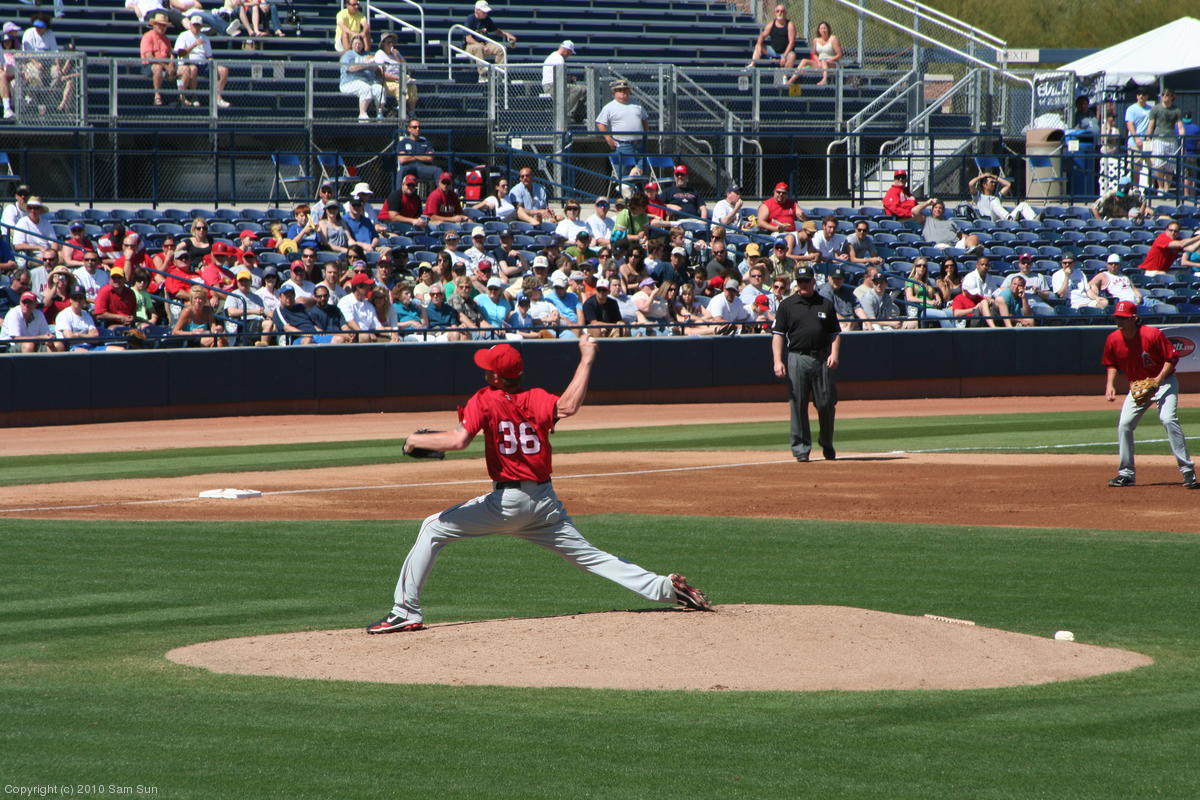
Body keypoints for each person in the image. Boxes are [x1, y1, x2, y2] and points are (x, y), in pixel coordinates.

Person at [366, 337, 714, 633]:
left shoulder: (484, 398)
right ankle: (665, 588)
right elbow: (569, 405)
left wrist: (414, 440)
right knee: (591, 557)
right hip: (545, 502)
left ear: (497, 376)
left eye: (488, 368)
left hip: (509, 503)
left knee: (432, 528)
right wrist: (587, 358)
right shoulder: (536, 398)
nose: (484, 371)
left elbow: (458, 440)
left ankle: (405, 611)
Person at [1102, 300, 1196, 489]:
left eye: (1123, 318)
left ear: (1134, 318)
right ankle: (1126, 474)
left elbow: (1171, 359)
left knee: (1168, 419)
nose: (1119, 321)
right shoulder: (1113, 339)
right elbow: (1111, 363)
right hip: (1138, 386)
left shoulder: (1152, 334)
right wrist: (1110, 384)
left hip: (1164, 382)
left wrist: (1157, 381)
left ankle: (1188, 471)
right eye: (1117, 318)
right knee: (1124, 425)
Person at [771, 265, 838, 462]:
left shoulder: (825, 304)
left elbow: (835, 333)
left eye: (806, 281)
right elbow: (778, 335)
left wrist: (834, 354)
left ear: (813, 281)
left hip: (821, 358)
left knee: (826, 403)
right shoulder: (787, 305)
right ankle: (801, 449)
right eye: (800, 281)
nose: (803, 285)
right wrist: (777, 360)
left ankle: (826, 442)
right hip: (797, 357)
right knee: (798, 404)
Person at [174, 15, 230, 109]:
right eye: (194, 25)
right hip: (188, 64)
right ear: (190, 25)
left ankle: (217, 97)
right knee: (193, 69)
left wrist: (211, 63)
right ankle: (193, 96)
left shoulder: (204, 38)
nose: (196, 27)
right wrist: (194, 44)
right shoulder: (183, 35)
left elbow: (209, 56)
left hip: (203, 65)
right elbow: (180, 53)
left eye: (198, 25)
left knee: (224, 70)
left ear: (201, 26)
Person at [596, 79, 648, 177]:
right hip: (623, 145)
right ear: (614, 92)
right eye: (619, 90)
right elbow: (600, 123)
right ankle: (622, 186)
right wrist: (608, 138)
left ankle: (636, 186)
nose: (623, 92)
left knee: (642, 174)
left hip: (639, 145)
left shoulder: (637, 105)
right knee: (622, 175)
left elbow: (644, 120)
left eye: (625, 89)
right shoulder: (609, 107)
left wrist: (645, 136)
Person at [464, 0, 515, 82]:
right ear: (477, 11)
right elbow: (468, 39)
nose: (486, 13)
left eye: (486, 12)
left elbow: (496, 31)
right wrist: (482, 46)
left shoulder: (486, 19)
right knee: (478, 47)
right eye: (483, 12)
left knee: (501, 49)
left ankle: (499, 74)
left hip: (484, 44)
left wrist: (506, 35)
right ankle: (483, 74)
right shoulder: (470, 19)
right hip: (471, 46)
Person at [1145, 88, 1184, 194]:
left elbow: (1180, 126)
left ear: (1172, 97)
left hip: (1171, 139)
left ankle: (1166, 189)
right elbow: (1151, 125)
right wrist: (1148, 137)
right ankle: (1160, 187)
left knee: (1170, 166)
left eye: (1167, 95)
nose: (1165, 97)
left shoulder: (1176, 110)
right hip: (1159, 138)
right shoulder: (1156, 109)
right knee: (1158, 164)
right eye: (1163, 95)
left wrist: (1182, 137)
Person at [339, 34, 385, 122]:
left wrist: (374, 65)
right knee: (365, 88)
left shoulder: (368, 55)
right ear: (352, 45)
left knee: (380, 89)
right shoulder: (348, 55)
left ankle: (379, 114)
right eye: (355, 44)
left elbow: (376, 68)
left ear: (363, 45)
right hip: (349, 82)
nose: (357, 45)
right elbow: (350, 68)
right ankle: (362, 114)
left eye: (359, 44)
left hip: (369, 82)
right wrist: (365, 65)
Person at [541, 39, 584, 124]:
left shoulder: (554, 56)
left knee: (582, 90)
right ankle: (566, 113)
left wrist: (569, 79)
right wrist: (570, 79)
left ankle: (576, 116)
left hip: (552, 85)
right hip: (552, 86)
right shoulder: (559, 59)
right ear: (567, 51)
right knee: (579, 89)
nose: (570, 55)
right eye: (570, 52)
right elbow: (559, 78)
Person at [967, 171, 1038, 222]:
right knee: (994, 202)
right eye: (991, 182)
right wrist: (981, 176)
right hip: (989, 220)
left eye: (994, 182)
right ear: (984, 185)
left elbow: (1008, 184)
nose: (994, 184)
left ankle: (1034, 220)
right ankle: (1009, 219)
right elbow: (971, 184)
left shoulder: (997, 196)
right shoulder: (978, 197)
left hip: (1001, 219)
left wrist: (995, 177)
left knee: (1023, 205)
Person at [374, 32, 416, 117]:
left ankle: (411, 111)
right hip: (387, 81)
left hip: (401, 78)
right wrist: (397, 78)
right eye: (388, 42)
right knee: (399, 87)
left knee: (412, 86)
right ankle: (402, 110)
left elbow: (405, 67)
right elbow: (381, 72)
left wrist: (397, 56)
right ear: (383, 44)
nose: (391, 44)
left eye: (392, 42)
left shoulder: (396, 53)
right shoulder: (380, 54)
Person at [787, 21, 841, 86]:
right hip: (820, 62)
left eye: (825, 28)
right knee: (804, 61)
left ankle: (825, 80)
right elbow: (813, 54)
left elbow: (839, 54)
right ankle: (791, 80)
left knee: (824, 62)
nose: (823, 30)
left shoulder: (833, 39)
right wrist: (817, 60)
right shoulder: (816, 40)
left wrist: (829, 60)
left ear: (828, 29)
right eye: (821, 28)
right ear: (819, 30)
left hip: (832, 63)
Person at [139, 11, 176, 107]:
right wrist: (166, 67)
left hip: (165, 64)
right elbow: (150, 57)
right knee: (157, 68)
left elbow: (171, 54)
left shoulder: (166, 39)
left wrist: (171, 65)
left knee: (183, 70)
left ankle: (182, 98)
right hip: (148, 65)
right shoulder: (147, 36)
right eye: (160, 24)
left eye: (164, 25)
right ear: (154, 24)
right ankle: (157, 95)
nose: (162, 27)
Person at [904, 259, 954, 328]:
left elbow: (934, 292)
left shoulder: (927, 282)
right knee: (942, 314)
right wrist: (927, 301)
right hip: (922, 309)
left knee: (951, 313)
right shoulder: (911, 281)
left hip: (932, 308)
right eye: (919, 265)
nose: (922, 267)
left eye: (924, 266)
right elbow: (909, 298)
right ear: (915, 267)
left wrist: (937, 296)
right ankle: (952, 333)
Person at [749, 4, 797, 69]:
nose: (780, 13)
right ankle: (752, 65)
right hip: (773, 50)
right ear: (775, 13)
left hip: (786, 52)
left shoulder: (790, 25)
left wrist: (784, 56)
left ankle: (785, 74)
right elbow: (762, 36)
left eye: (782, 11)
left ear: (785, 13)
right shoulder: (771, 24)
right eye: (777, 11)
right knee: (758, 46)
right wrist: (759, 43)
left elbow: (791, 42)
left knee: (792, 56)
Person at [396, 119, 441, 184]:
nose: (418, 129)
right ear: (409, 129)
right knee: (402, 171)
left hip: (424, 168)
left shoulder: (426, 143)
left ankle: (441, 190)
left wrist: (413, 155)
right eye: (415, 127)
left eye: (419, 127)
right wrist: (421, 156)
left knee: (437, 170)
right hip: (409, 168)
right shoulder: (402, 142)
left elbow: (430, 158)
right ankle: (398, 190)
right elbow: (402, 159)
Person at [818, 266, 862, 331]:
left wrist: (868, 322)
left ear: (843, 280)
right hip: (834, 322)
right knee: (844, 327)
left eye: (839, 279)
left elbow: (858, 308)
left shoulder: (847, 291)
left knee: (868, 326)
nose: (836, 281)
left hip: (851, 322)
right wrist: (846, 323)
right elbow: (830, 312)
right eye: (834, 278)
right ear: (829, 278)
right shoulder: (825, 291)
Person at [1125, 86, 1153, 188]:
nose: (1141, 96)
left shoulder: (1151, 109)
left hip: (1148, 142)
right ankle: (1135, 188)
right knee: (1135, 167)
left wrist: (1149, 136)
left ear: (1147, 96)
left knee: (1153, 165)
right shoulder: (1131, 109)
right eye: (1139, 94)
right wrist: (1136, 138)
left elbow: (1153, 123)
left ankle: (1152, 189)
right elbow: (1129, 124)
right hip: (1135, 143)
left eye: (1144, 94)